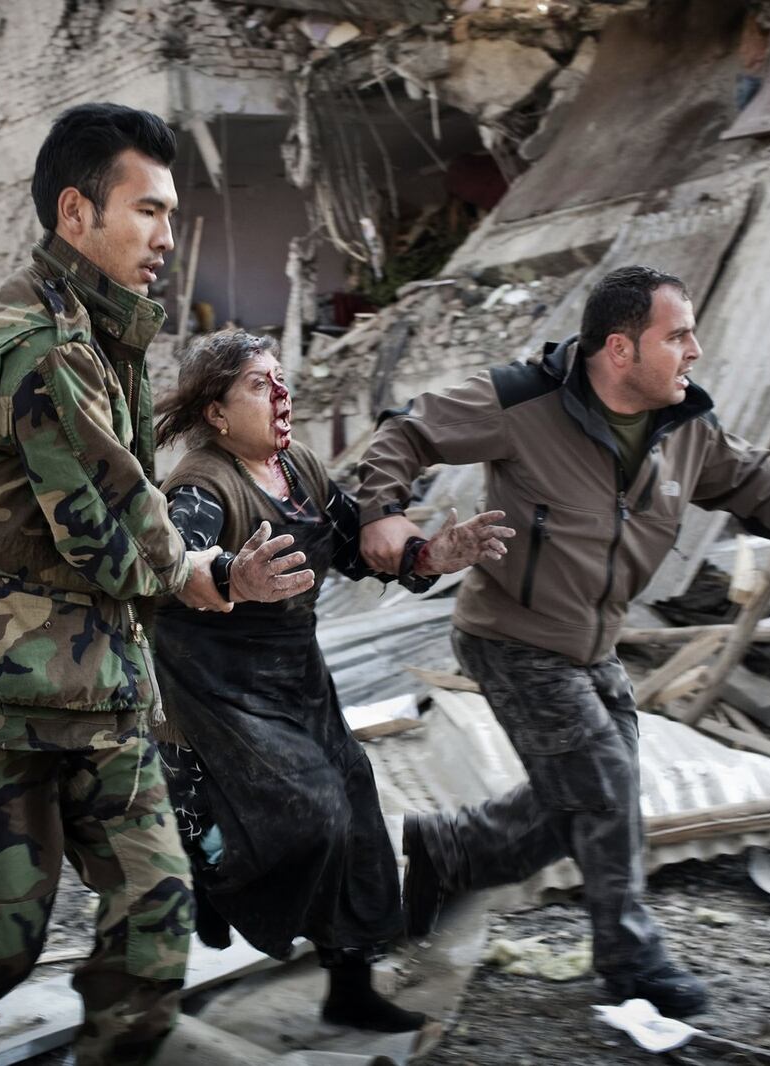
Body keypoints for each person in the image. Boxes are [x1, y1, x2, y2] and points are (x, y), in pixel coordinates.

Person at [0, 103, 314, 1065]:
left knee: (156, 914)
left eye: (172, 213)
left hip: (96, 685)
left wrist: (200, 577)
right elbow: (118, 531)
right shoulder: (38, 348)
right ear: (77, 214)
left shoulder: (99, 331)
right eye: (149, 211)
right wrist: (214, 573)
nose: (168, 236)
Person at [355, 265, 770, 1018]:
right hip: (511, 635)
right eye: (678, 335)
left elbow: (753, 483)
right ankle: (630, 959)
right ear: (619, 349)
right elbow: (407, 430)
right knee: (603, 783)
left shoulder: (683, 426)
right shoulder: (520, 401)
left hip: (593, 644)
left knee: (582, 799)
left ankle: (446, 852)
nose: (695, 350)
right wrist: (384, 511)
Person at [150, 329, 515, 1033]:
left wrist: (433, 553)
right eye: (260, 384)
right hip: (215, 681)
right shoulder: (200, 486)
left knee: (355, 812)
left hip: (295, 671)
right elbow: (172, 568)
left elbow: (360, 551)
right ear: (217, 413)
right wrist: (233, 574)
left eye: (281, 378)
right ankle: (210, 872)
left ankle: (351, 982)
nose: (282, 394)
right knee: (307, 813)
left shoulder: (303, 470)